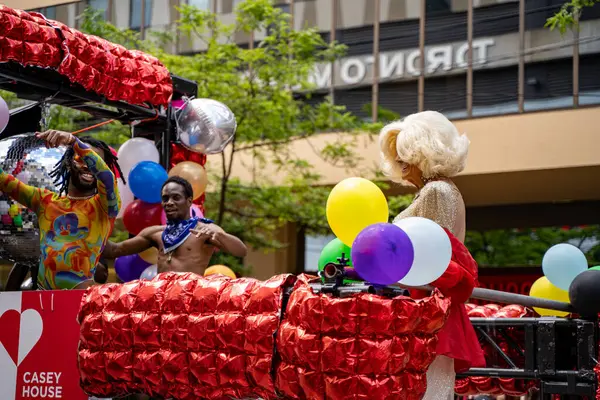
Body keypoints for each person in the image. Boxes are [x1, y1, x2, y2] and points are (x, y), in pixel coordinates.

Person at [379, 111, 485, 400]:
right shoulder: (440, 190)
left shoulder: (436, 191)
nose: (399, 165)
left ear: (421, 155)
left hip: (427, 310)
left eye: (404, 156)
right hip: (431, 307)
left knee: (427, 389)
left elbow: (432, 254)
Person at [0, 130, 124, 290]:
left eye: (94, 160)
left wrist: (74, 142)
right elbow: (4, 181)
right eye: (80, 158)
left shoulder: (105, 207)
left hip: (80, 303)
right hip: (42, 304)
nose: (87, 166)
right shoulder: (45, 201)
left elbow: (106, 178)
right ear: (68, 162)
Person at [101, 176, 247, 276]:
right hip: (161, 302)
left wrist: (220, 235)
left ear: (189, 201)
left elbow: (241, 251)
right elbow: (115, 250)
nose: (169, 202)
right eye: (165, 198)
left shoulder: (204, 229)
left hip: (189, 302)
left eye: (176, 197)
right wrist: (88, 229)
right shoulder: (155, 233)